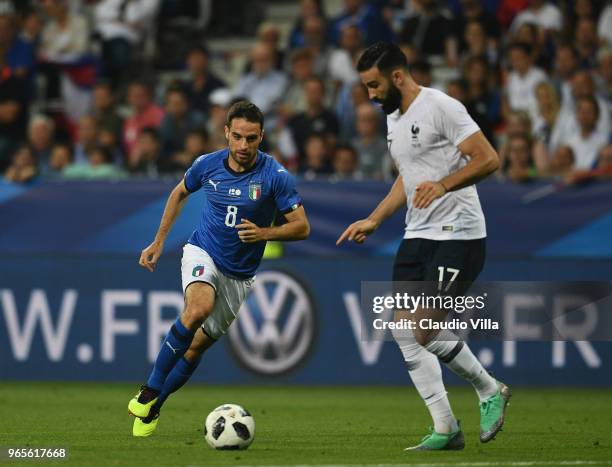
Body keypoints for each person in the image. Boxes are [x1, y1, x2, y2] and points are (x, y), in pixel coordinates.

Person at [337, 42, 508, 451]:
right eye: (366, 87)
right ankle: (446, 428)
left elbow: (489, 159)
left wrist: (445, 184)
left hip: (459, 233)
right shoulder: (394, 119)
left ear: (397, 76)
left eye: (375, 85)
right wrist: (375, 218)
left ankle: (490, 389)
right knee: (403, 329)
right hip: (418, 234)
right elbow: (407, 178)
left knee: (426, 328)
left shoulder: (440, 106)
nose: (371, 94)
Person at [126, 101, 310, 437]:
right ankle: (150, 387)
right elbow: (180, 192)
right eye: (237, 137)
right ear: (226, 132)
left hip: (239, 275)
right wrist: (158, 240)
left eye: (251, 139)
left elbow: (302, 227)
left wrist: (266, 233)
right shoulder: (206, 165)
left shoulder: (276, 177)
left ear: (261, 136)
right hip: (203, 251)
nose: (243, 146)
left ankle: (155, 405)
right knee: (198, 308)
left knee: (195, 347)